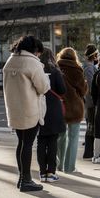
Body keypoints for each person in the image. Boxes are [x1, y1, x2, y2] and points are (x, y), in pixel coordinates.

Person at [3, 36, 50, 192]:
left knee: (21, 143)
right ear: (35, 50)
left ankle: (22, 177)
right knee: (28, 144)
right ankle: (26, 180)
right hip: (31, 110)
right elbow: (43, 87)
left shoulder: (10, 61)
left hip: (15, 109)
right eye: (38, 52)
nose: (38, 55)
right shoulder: (32, 63)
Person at [37, 48, 66, 183]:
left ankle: (42, 172)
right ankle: (51, 172)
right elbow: (62, 90)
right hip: (53, 109)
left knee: (41, 141)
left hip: (38, 109)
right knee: (52, 141)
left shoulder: (37, 71)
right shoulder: (55, 71)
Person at [56, 47, 88, 173]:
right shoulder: (77, 69)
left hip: (61, 106)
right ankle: (70, 167)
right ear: (74, 57)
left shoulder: (56, 68)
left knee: (61, 137)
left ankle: (60, 165)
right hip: (74, 107)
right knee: (73, 137)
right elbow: (83, 90)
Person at [82, 44, 100, 159]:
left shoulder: (89, 66)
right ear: (94, 56)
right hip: (92, 101)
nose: (99, 57)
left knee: (91, 126)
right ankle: (90, 152)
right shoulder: (89, 68)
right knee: (92, 127)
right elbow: (92, 86)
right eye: (98, 54)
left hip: (90, 101)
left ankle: (89, 152)